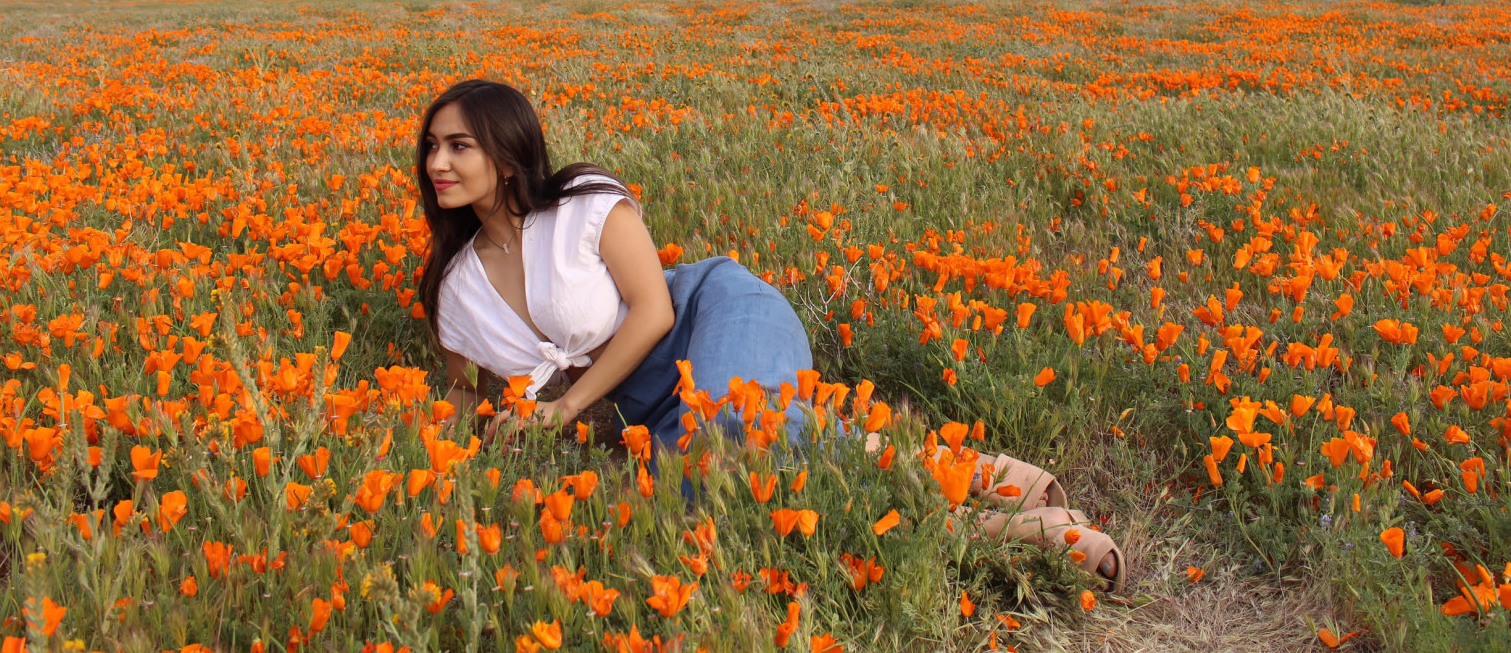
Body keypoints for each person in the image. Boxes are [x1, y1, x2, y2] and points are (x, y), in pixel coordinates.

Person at [414, 78, 1124, 591]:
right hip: (649, 410)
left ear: (506, 153)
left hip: (712, 315)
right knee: (697, 490)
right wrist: (456, 454)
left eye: (457, 145)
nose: (436, 163)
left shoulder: (585, 205)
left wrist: (564, 409)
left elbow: (654, 312)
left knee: (728, 432)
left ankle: (1010, 516)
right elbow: (458, 391)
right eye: (431, 147)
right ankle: (993, 489)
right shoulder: (455, 288)